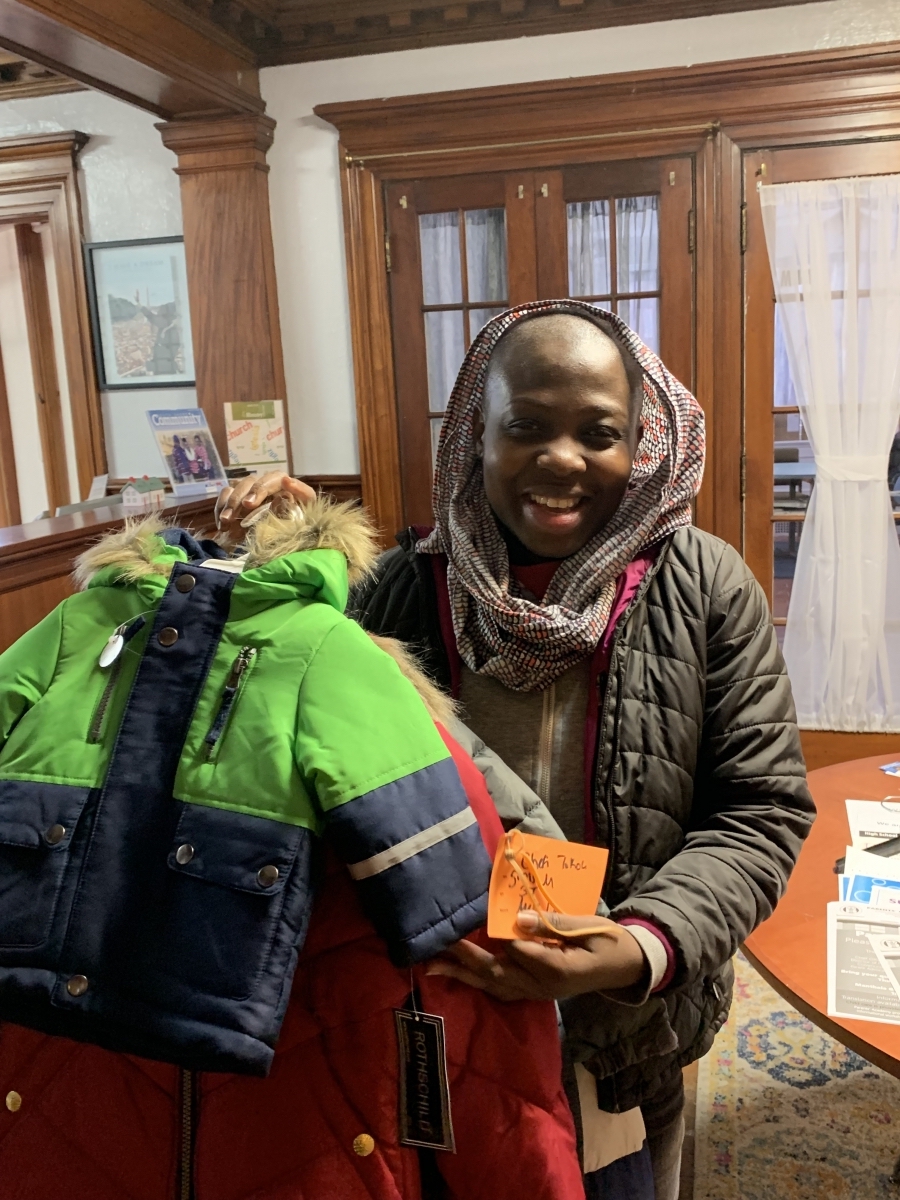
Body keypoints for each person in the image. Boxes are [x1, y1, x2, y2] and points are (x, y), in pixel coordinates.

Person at [218, 299, 816, 1200]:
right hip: (434, 1009)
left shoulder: (705, 588)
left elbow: (760, 809)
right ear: (475, 435)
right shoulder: (404, 585)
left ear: (643, 443)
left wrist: (639, 946)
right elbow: (287, 731)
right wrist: (294, 553)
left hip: (625, 1024)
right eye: (525, 427)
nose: (561, 460)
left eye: (599, 433)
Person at [0, 496, 582, 1198]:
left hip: (289, 1074)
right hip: (155, 1073)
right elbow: (453, 889)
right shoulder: (84, 625)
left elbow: (455, 877)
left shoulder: (323, 644)